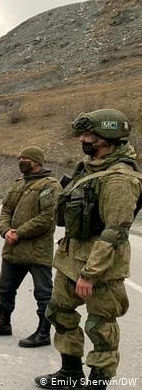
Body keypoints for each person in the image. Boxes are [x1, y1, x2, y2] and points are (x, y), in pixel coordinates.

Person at [35, 109, 141, 389]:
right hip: (70, 259)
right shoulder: (89, 167)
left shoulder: (120, 178)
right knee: (58, 312)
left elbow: (114, 232)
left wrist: (90, 274)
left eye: (89, 135)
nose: (83, 139)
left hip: (100, 268)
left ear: (107, 138)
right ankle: (70, 373)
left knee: (100, 326)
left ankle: (98, 383)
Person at [0, 146, 61, 348]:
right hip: (13, 249)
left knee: (43, 293)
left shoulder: (50, 185)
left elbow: (47, 218)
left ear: (36, 161)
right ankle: (3, 324)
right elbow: (6, 209)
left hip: (37, 251)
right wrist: (6, 230)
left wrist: (19, 232)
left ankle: (43, 333)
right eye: (20, 157)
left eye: (25, 158)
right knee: (5, 288)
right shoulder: (18, 184)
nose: (21, 160)